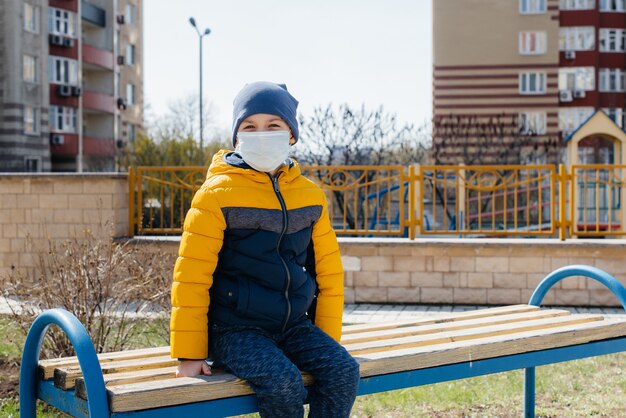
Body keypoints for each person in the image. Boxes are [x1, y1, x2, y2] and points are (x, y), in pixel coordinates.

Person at [170, 81, 360, 417]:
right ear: (237, 137)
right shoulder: (216, 195)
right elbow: (191, 278)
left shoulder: (310, 196)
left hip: (292, 326)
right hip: (234, 329)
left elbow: (328, 273)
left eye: (273, 125)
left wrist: (328, 340)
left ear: (291, 134)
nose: (262, 133)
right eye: (249, 126)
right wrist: (190, 354)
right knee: (283, 381)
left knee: (344, 370)